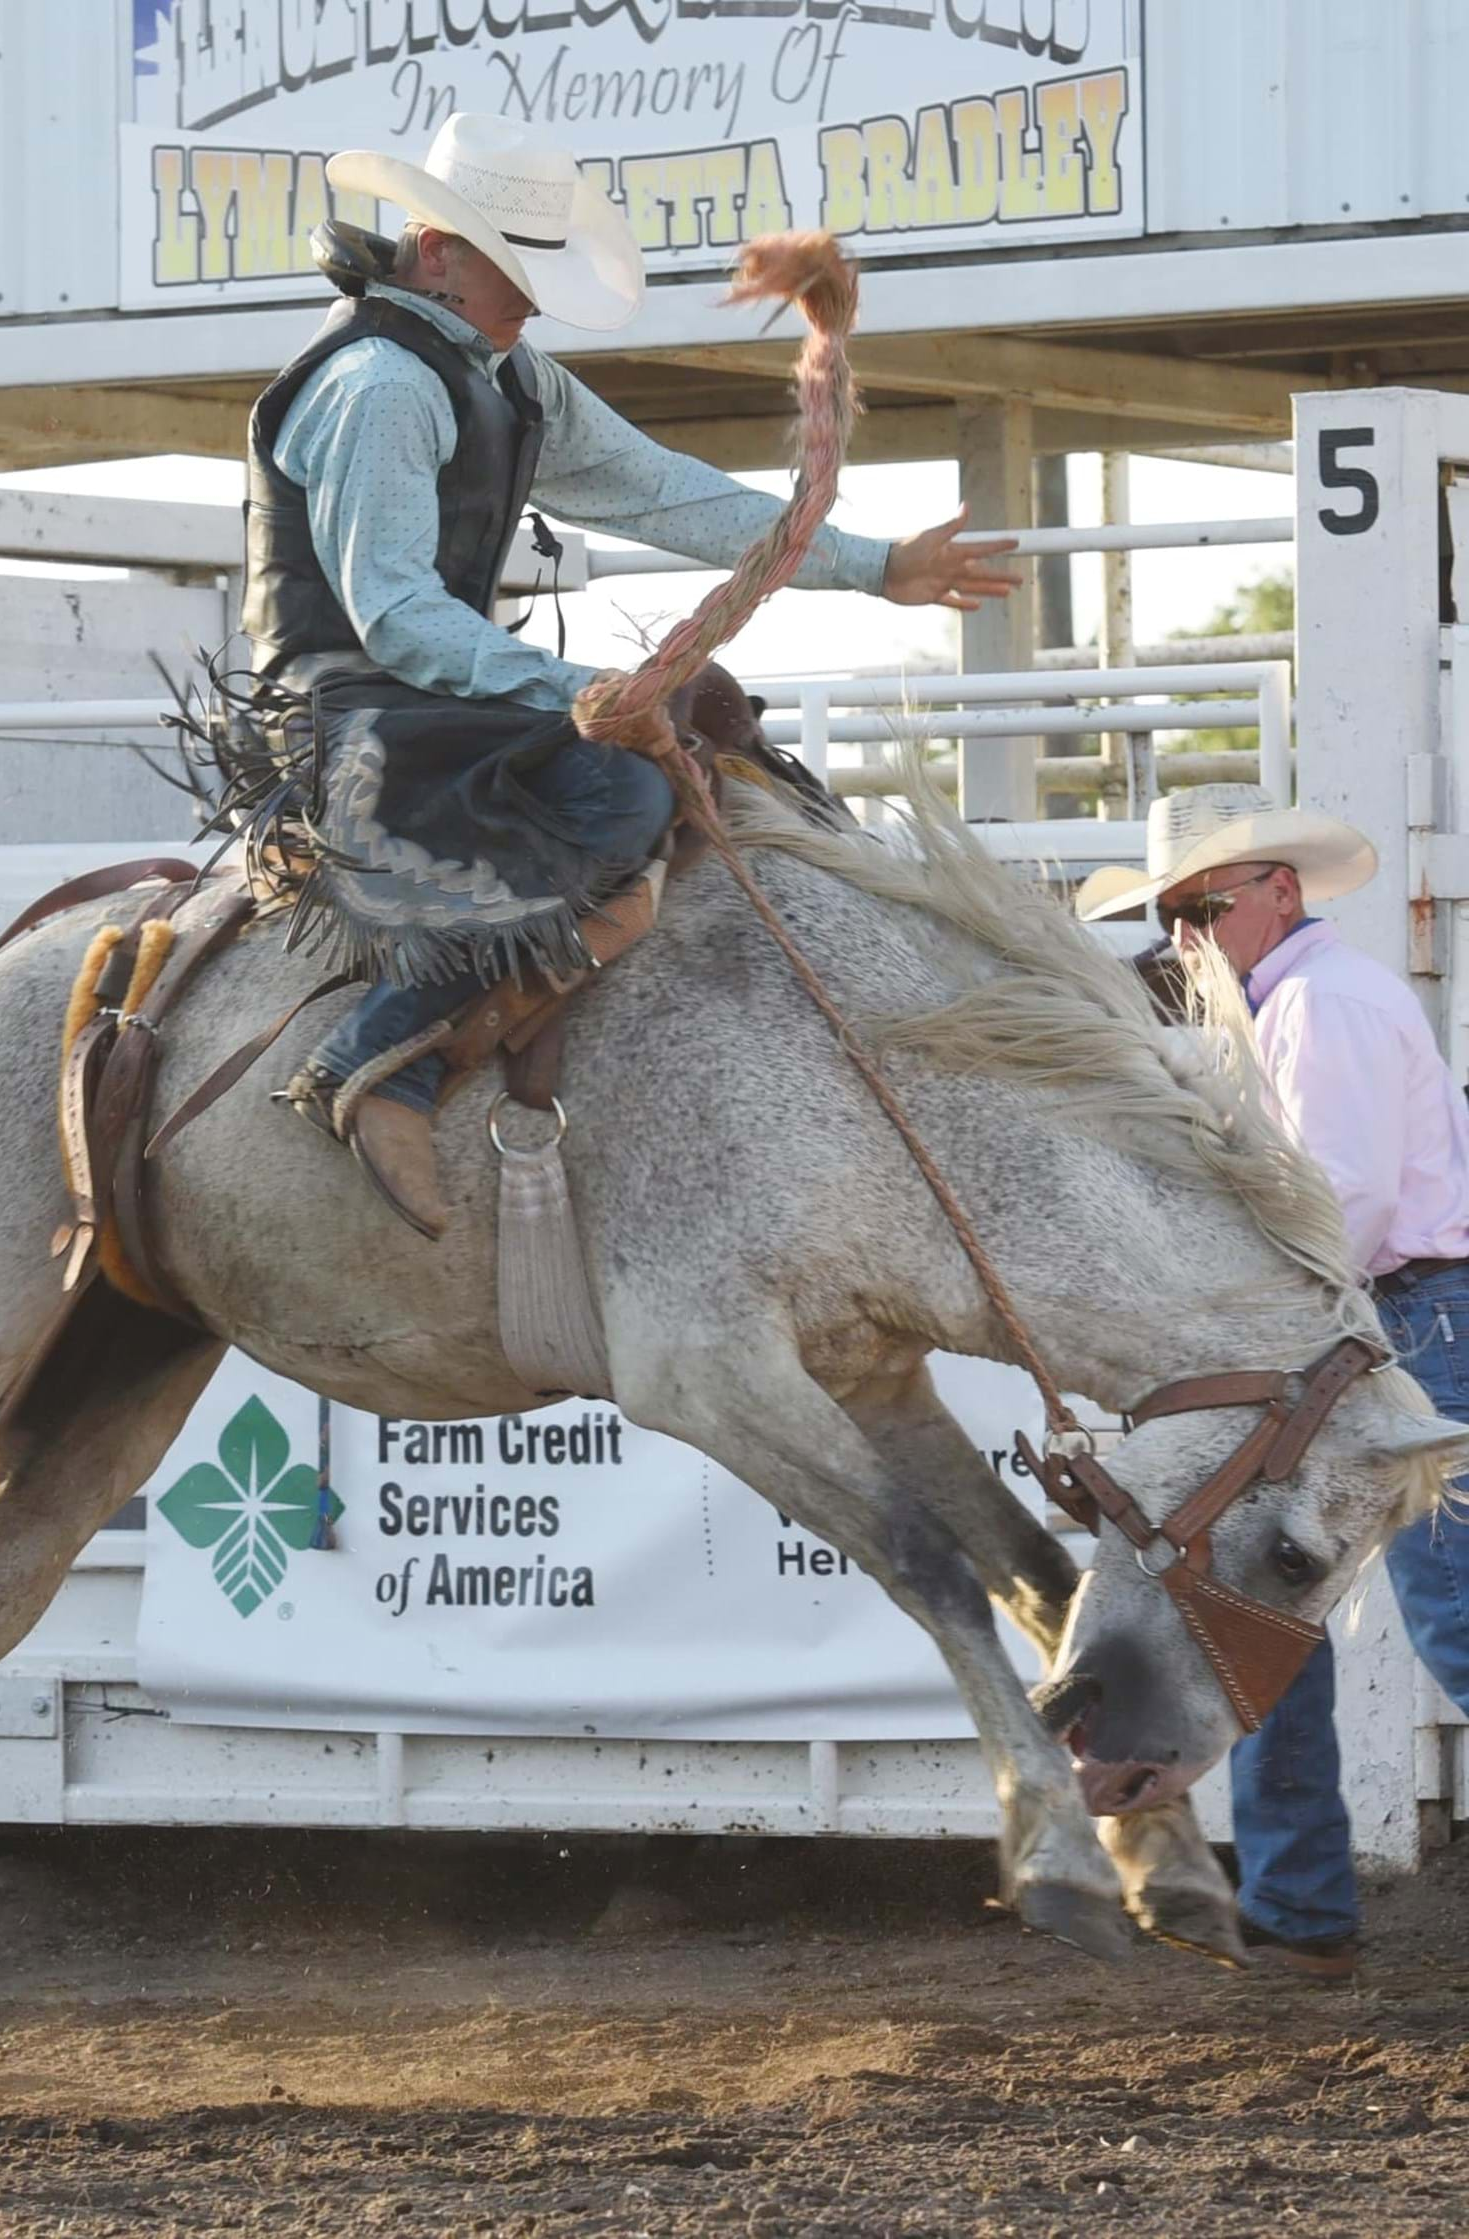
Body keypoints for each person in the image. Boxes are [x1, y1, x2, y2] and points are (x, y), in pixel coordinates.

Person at [224, 111, 1019, 1240]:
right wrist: (581, 688)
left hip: (426, 698)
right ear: (440, 250)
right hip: (344, 711)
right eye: (519, 267)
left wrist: (876, 564)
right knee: (626, 789)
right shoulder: (381, 386)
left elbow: (663, 490)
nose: (537, 298)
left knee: (714, 739)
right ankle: (378, 1057)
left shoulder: (504, 373)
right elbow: (395, 617)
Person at [1080, 785, 1469, 1980]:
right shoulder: (1299, 999)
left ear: (1279, 892)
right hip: (1372, 1322)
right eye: (1174, 914)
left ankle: (1303, 1904)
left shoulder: (1321, 1005)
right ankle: (1299, 1908)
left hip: (1383, 1324)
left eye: (1204, 905)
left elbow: (1337, 1207)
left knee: (1448, 1610)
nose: (1187, 934)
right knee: (1267, 1603)